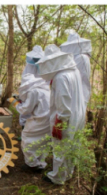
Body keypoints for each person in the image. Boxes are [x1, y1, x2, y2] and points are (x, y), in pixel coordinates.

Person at [36, 44, 85, 185]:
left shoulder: (61, 77)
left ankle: (57, 177)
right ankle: (68, 173)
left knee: (60, 146)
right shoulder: (73, 71)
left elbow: (63, 102)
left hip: (67, 117)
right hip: (77, 114)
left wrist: (59, 123)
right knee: (72, 144)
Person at [16, 73, 51, 173]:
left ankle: (32, 164)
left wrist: (16, 104)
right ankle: (40, 163)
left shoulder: (34, 91)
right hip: (49, 119)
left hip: (40, 119)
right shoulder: (45, 90)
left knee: (27, 138)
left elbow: (26, 109)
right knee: (44, 140)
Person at [19, 45, 49, 128]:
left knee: (38, 110)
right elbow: (25, 80)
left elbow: (47, 80)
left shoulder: (44, 66)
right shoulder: (28, 66)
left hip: (42, 91)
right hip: (30, 90)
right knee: (26, 109)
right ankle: (24, 126)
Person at [60, 32, 92, 108]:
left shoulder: (81, 58)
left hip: (80, 91)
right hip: (77, 91)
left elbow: (76, 75)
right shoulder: (79, 57)